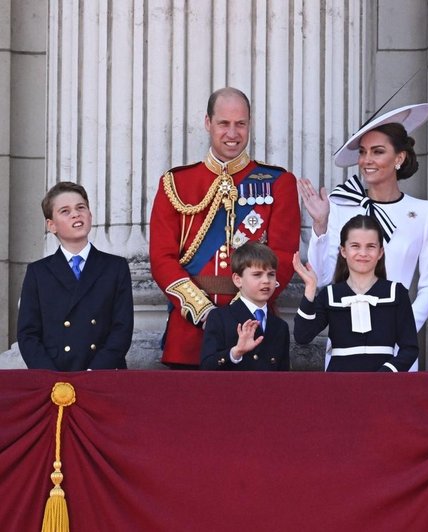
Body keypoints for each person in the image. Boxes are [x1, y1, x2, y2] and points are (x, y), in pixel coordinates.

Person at [149, 87, 300, 369]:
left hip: (255, 331)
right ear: (208, 123)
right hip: (190, 333)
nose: (233, 133)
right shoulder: (176, 183)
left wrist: (242, 312)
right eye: (224, 124)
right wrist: (203, 311)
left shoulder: (279, 182)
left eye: (240, 124)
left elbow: (283, 256)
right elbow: (161, 259)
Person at [297, 103, 428, 371]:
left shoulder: (424, 212)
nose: (366, 160)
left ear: (399, 158)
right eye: (363, 153)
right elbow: (323, 277)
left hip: (397, 352)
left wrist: (401, 327)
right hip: (345, 349)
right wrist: (320, 226)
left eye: (378, 152)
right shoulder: (340, 205)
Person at [17, 182, 134, 371]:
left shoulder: (115, 267)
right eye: (65, 211)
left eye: (81, 207)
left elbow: (122, 328)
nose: (75, 214)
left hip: (103, 375)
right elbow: (28, 334)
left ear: (90, 215)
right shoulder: (38, 272)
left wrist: (94, 373)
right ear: (52, 225)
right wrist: (52, 377)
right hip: (55, 378)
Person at [292, 214, 418, 372]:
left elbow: (410, 348)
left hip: (384, 386)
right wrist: (310, 288)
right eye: (355, 246)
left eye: (371, 246)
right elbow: (302, 336)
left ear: (380, 252)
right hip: (340, 385)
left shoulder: (396, 293)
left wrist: (386, 374)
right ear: (343, 251)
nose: (363, 253)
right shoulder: (330, 295)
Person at [200, 242, 290, 371]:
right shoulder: (220, 317)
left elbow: (283, 378)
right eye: (257, 275)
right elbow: (206, 367)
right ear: (238, 280)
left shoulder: (280, 326)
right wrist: (235, 353)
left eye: (271, 274)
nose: (266, 280)